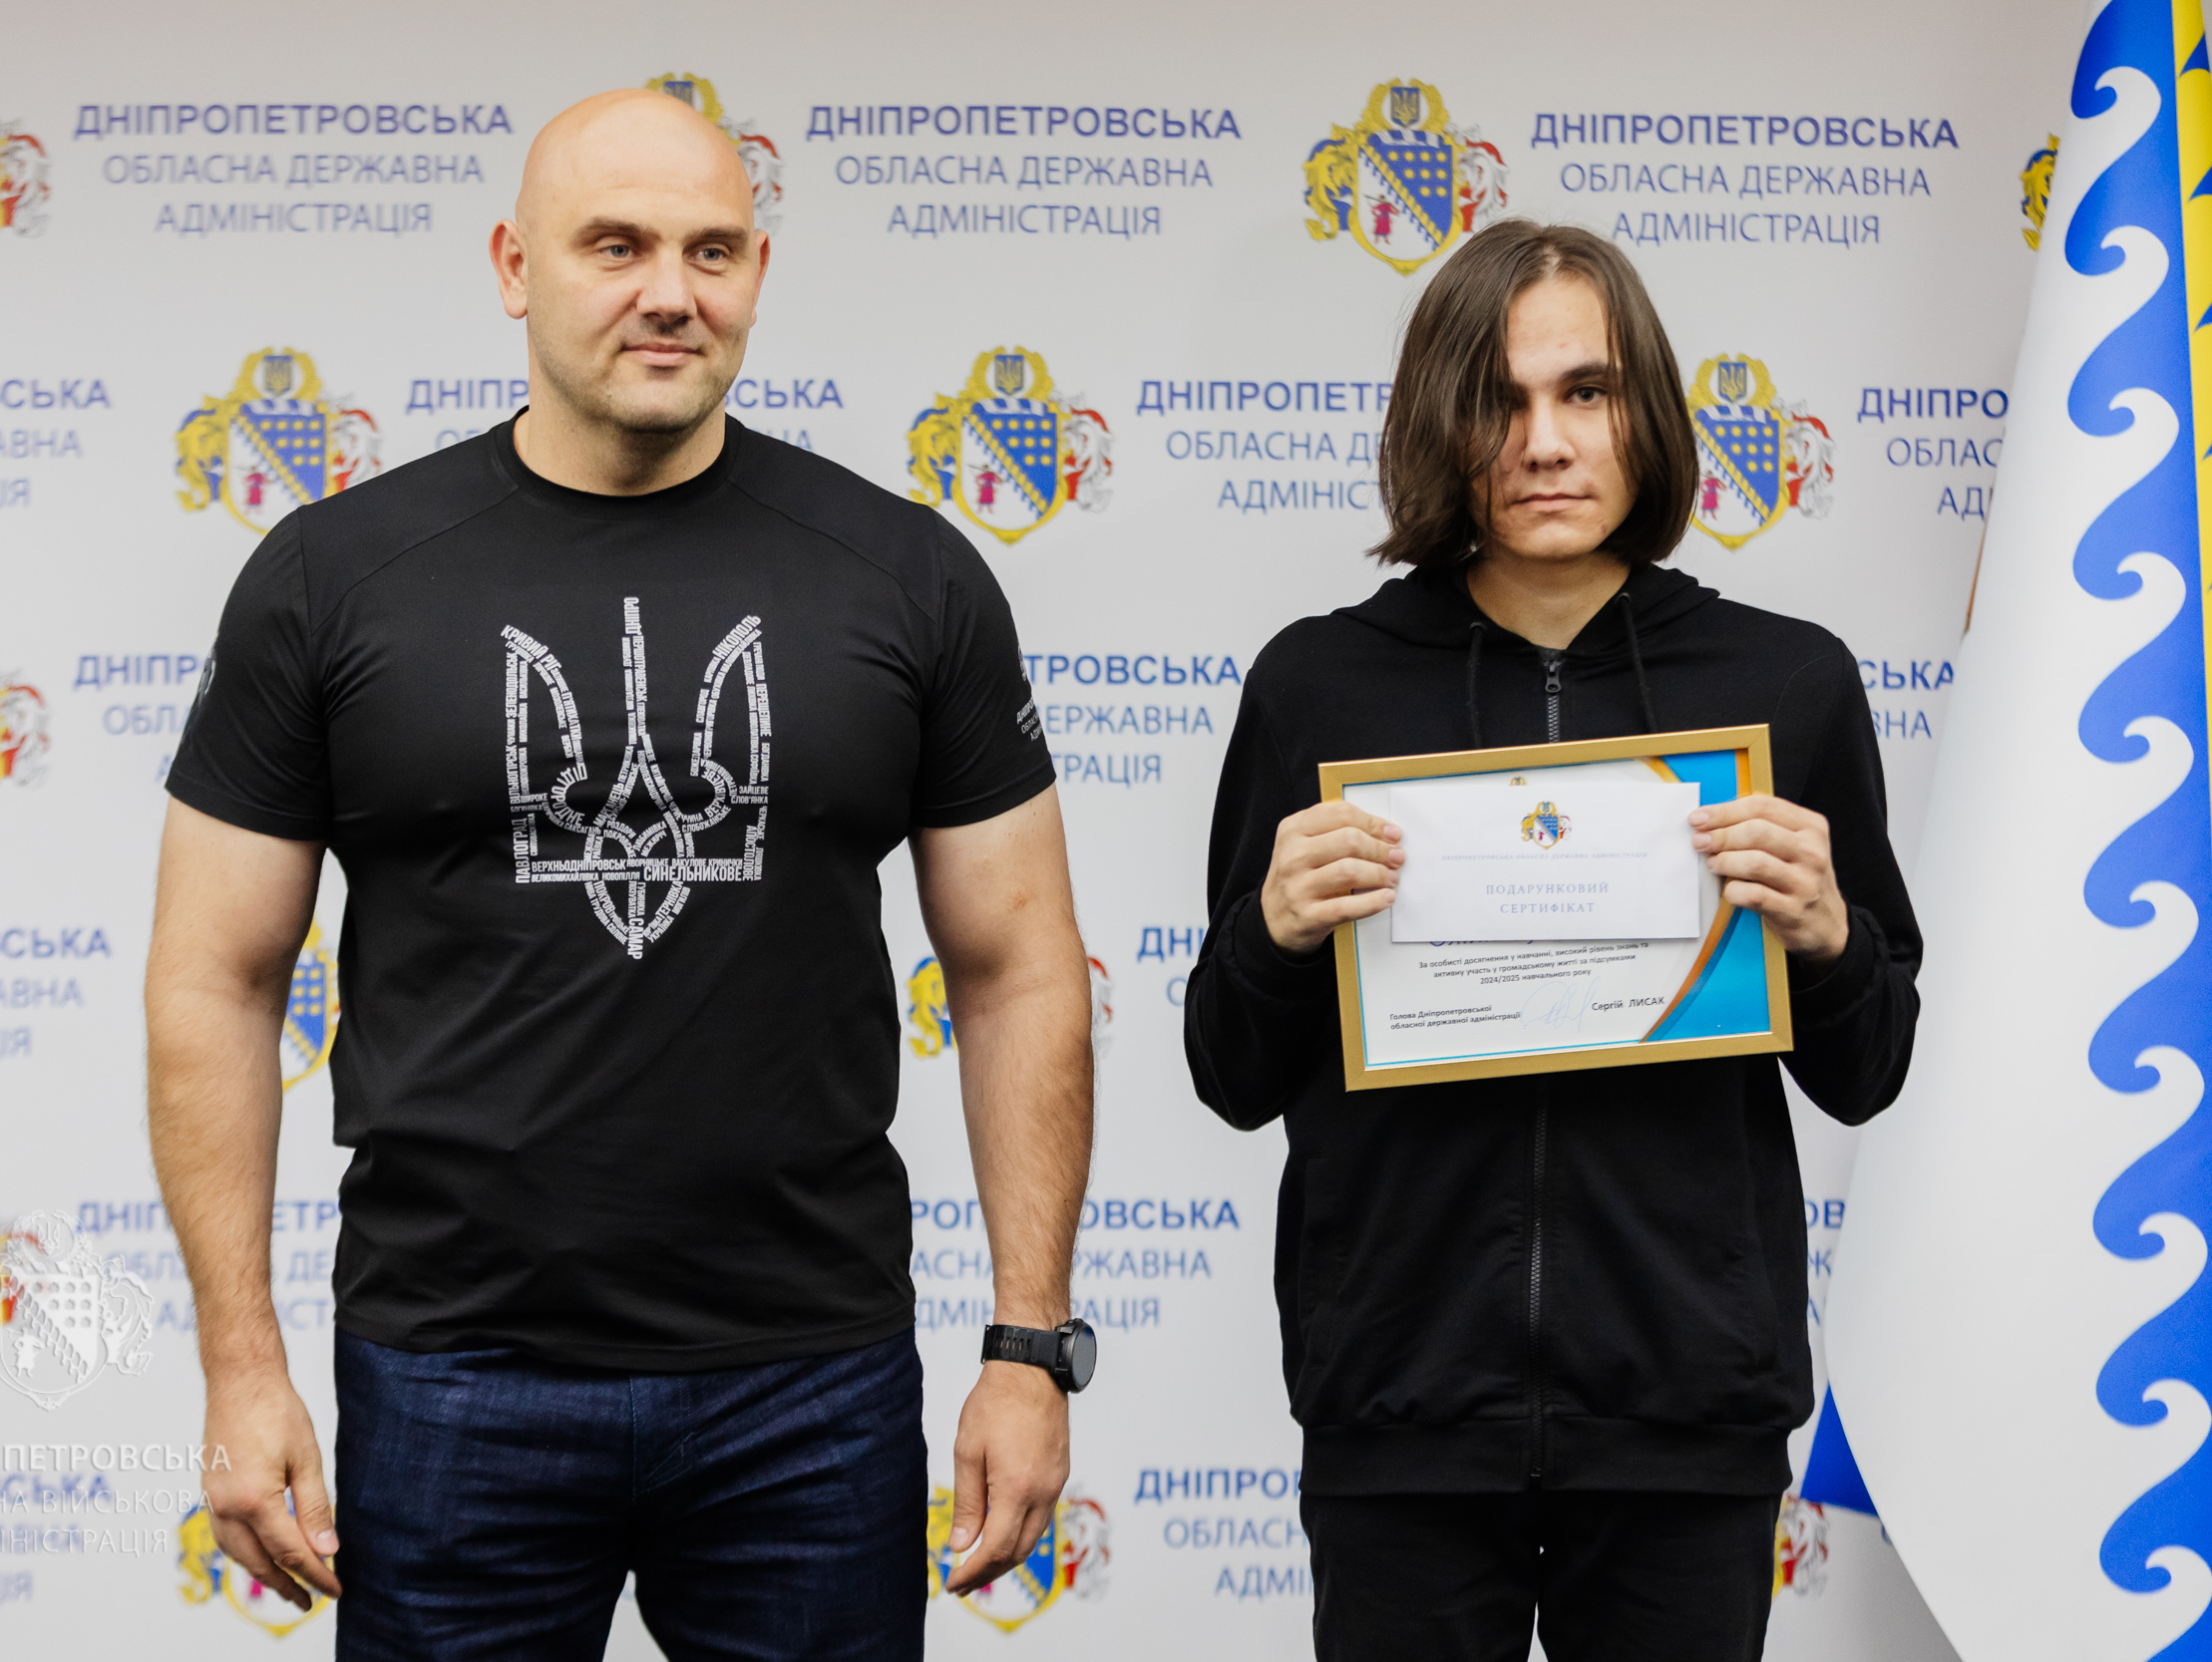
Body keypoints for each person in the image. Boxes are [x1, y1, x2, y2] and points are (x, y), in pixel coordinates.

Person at [145, 88, 1096, 1661]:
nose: (671, 291)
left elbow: (1020, 968)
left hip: (812, 1382)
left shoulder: (907, 575)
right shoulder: (332, 579)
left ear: (759, 273)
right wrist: (241, 1366)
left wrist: (1029, 1344)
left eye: (712, 250)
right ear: (515, 266)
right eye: (617, 246)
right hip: (453, 1377)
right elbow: (213, 978)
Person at [1183, 218, 1921, 1660]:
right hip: (1402, 1410)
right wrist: (1271, 932)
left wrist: (1833, 940)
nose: (1543, 443)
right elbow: (1227, 1072)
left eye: (1586, 391)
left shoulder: (1787, 684)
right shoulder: (1318, 687)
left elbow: (1870, 1072)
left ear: (1646, 412)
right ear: (1438, 425)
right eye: (1498, 400)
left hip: (1686, 1414)